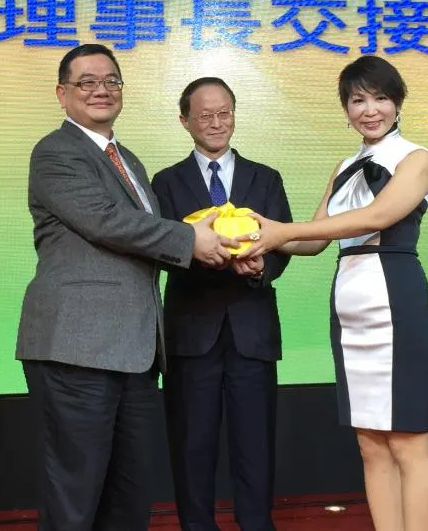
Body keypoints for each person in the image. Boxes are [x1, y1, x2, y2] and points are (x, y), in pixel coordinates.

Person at [16, 44, 239, 531]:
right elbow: (106, 222)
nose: (101, 90)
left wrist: (232, 249)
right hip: (78, 348)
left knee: (130, 498)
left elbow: (144, 239)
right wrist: (191, 240)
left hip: (135, 352)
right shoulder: (56, 151)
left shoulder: (128, 160)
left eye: (111, 81)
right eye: (86, 82)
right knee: (76, 497)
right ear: (62, 94)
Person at [238, 55, 428, 531]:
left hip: (396, 300)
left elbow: (376, 217)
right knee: (370, 443)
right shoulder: (346, 165)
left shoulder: (417, 158)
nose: (370, 110)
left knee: (409, 439)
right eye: (357, 100)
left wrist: (282, 229)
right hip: (350, 308)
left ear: (397, 102)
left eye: (380, 98)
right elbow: (314, 241)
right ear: (345, 109)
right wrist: (256, 238)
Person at [151, 77, 292, 531]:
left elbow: (284, 243)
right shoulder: (165, 182)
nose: (216, 123)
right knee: (192, 445)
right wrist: (200, 255)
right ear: (184, 121)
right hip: (192, 333)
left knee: (256, 444)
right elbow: (158, 248)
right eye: (205, 115)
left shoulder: (266, 177)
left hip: (253, 330)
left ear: (234, 114)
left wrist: (262, 267)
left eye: (224, 113)